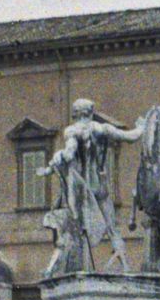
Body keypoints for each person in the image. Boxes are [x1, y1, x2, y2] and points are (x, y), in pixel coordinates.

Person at [38, 98, 145, 273]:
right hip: (99, 187)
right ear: (91, 112)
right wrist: (142, 126)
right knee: (112, 228)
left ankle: (56, 266)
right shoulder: (102, 129)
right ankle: (125, 265)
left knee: (73, 227)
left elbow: (70, 151)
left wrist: (54, 162)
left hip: (81, 191)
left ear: (75, 113)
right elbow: (131, 136)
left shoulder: (72, 131)